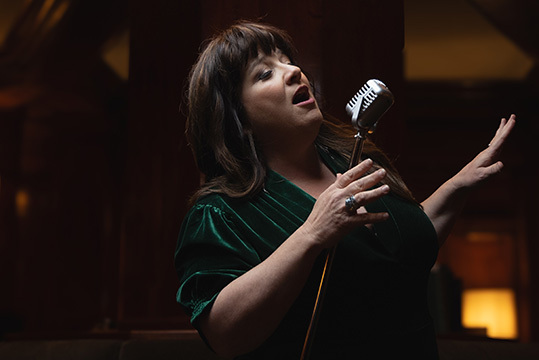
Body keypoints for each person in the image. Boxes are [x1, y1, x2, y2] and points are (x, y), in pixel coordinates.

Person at [174, 21, 516, 360]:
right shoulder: (219, 212)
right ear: (238, 118)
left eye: (287, 60)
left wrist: (458, 186)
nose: (293, 71)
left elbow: (395, 258)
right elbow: (224, 334)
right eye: (264, 74)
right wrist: (312, 233)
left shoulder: (352, 159)